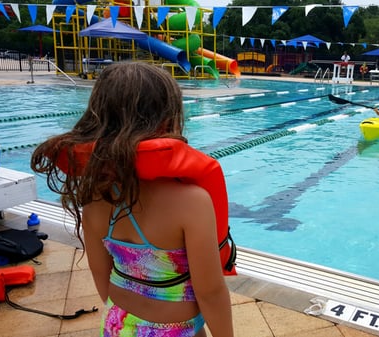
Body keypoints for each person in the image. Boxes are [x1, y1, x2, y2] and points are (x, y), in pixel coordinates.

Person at [30, 63, 234, 337]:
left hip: (117, 324)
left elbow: (100, 272)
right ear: (167, 122)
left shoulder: (95, 195)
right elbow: (209, 291)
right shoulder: (191, 202)